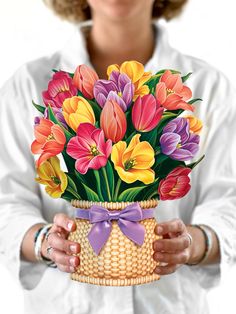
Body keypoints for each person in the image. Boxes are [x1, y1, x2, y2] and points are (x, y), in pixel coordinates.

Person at [0, 0, 236, 313]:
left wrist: (191, 243)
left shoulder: (211, 87)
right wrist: (45, 241)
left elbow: (228, 202)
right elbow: (6, 203)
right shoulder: (27, 84)